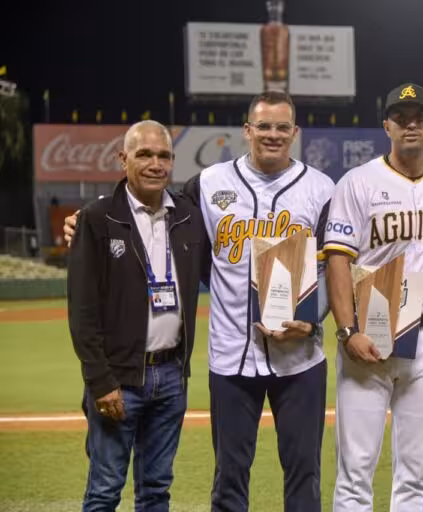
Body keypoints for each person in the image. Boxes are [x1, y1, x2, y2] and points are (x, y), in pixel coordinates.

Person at [64, 91, 335, 512]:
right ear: (247, 130)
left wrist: (313, 319)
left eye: (283, 126)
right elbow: (148, 208)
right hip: (231, 358)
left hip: (300, 359)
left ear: (295, 132)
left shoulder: (321, 187)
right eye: (263, 126)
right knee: (229, 478)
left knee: (304, 475)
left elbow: (330, 269)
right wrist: (85, 221)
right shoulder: (208, 184)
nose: (273, 134)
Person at [324, 83, 423, 511]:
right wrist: (347, 330)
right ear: (386, 126)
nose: (409, 124)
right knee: (355, 472)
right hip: (368, 333)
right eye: (400, 117)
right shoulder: (357, 182)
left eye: (418, 117)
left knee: (415, 473)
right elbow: (337, 260)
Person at [67, 120, 205, 511]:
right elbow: (82, 311)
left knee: (156, 490)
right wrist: (100, 382)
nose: (155, 164)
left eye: (163, 155)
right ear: (123, 159)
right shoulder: (96, 219)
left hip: (171, 377)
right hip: (118, 380)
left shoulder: (188, 216)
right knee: (105, 490)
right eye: (144, 154)